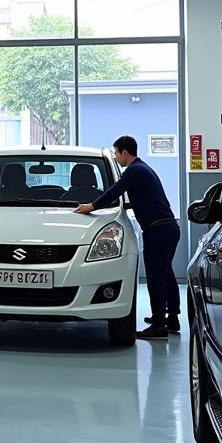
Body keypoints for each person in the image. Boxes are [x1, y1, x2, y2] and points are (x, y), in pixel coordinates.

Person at [75, 135, 180, 341]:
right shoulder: (143, 169)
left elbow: (114, 192)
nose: (116, 157)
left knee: (156, 276)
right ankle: (172, 318)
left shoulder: (134, 171)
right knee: (165, 273)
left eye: (116, 153)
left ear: (125, 152)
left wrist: (92, 206)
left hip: (158, 231)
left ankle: (159, 324)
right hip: (167, 228)